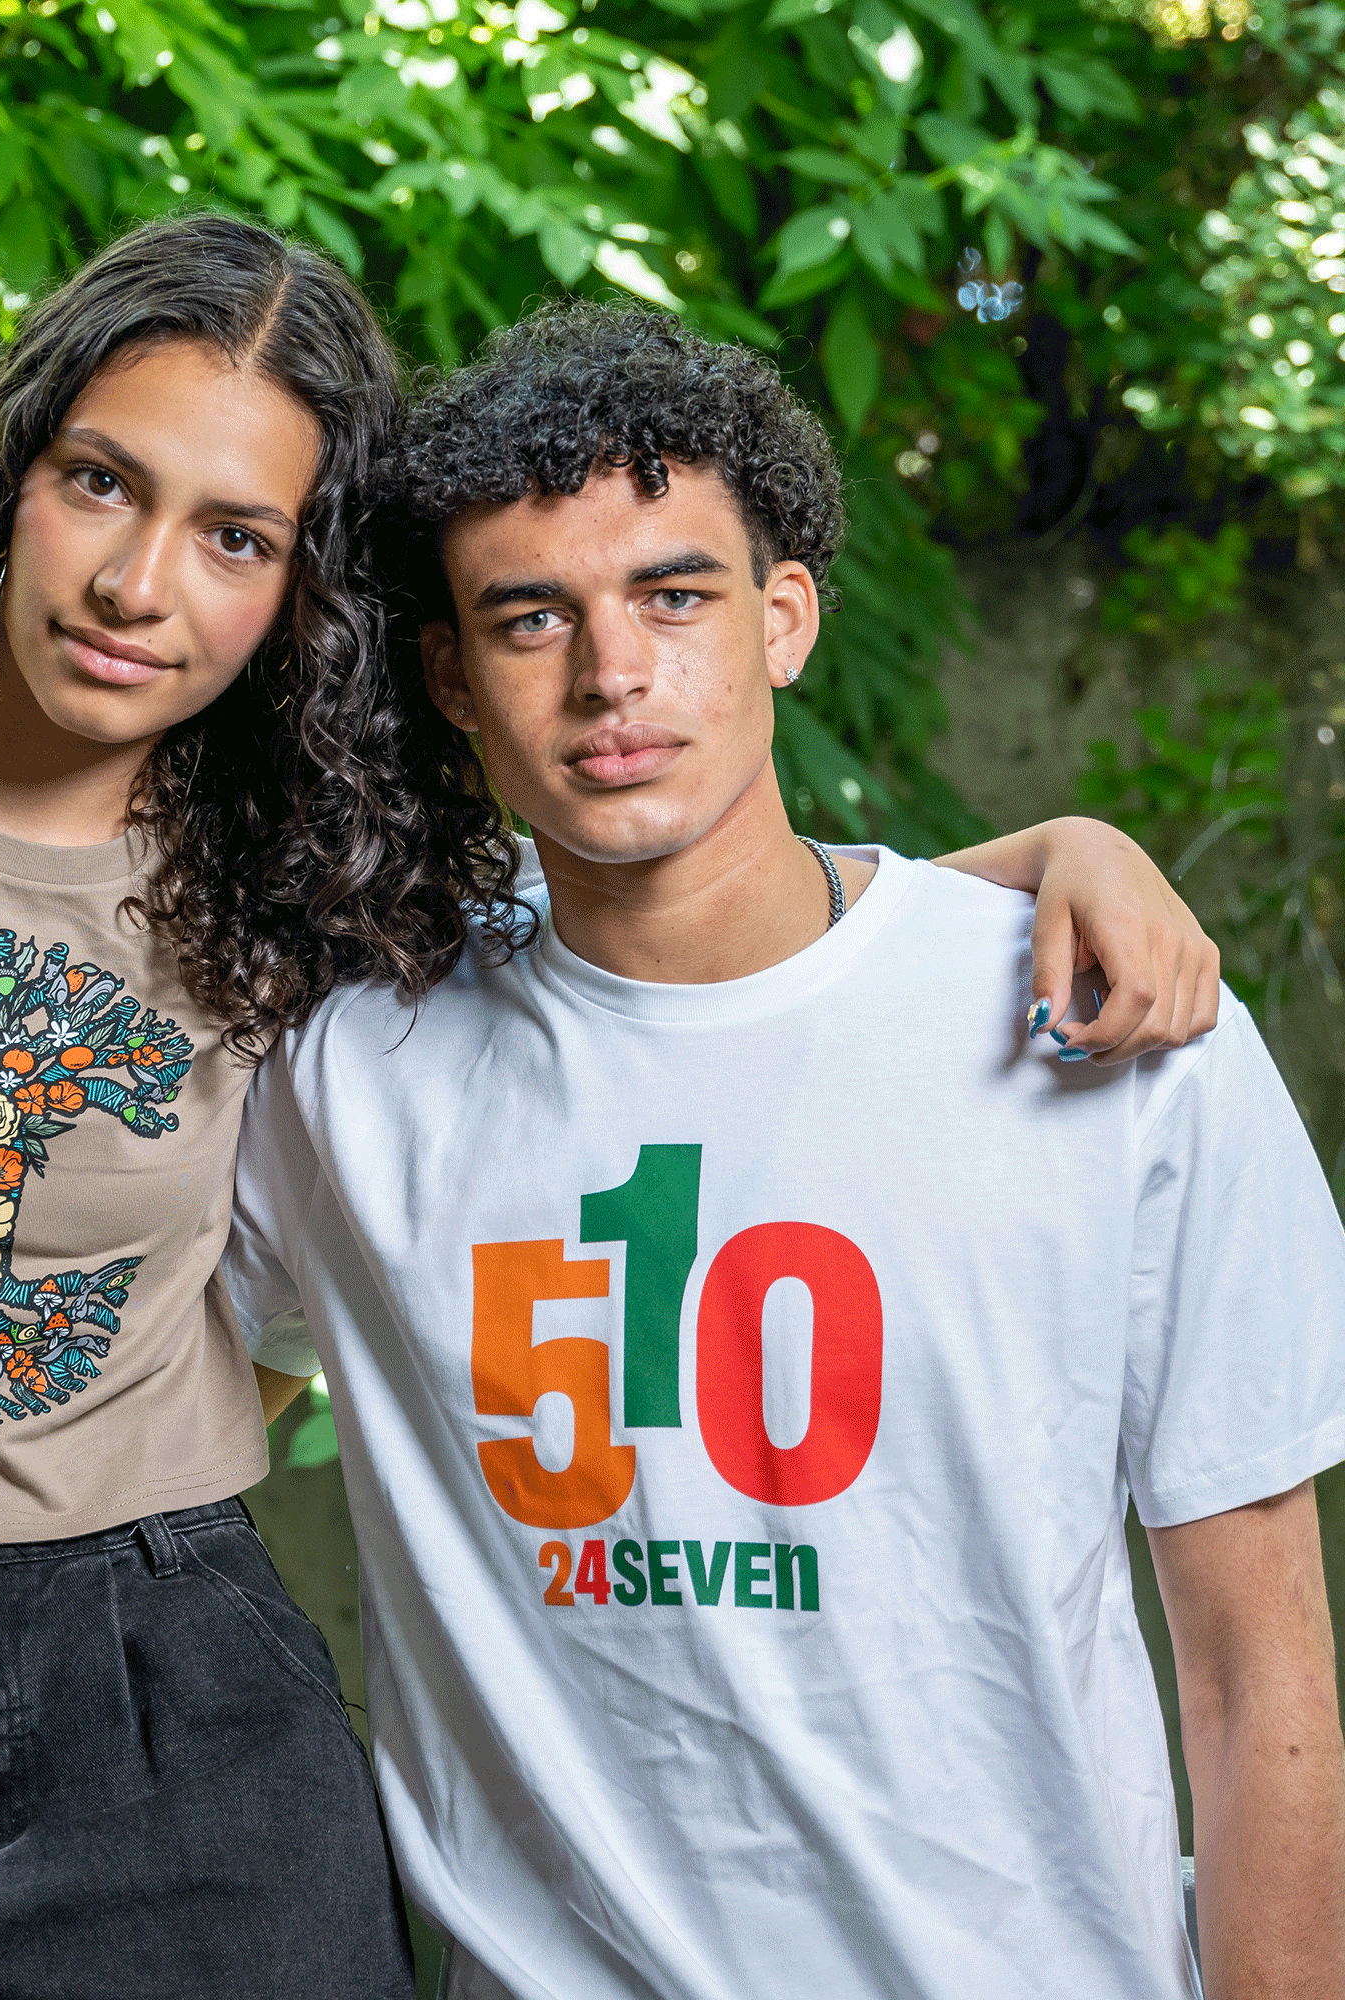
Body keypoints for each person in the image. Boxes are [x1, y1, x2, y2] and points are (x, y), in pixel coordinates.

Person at [0, 222, 1218, 1997]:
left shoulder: (313, 883)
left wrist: (1058, 854)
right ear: (10, 467)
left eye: (237, 536)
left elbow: (695, 946)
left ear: (302, 593)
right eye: (103, 481)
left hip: (171, 1713)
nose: (141, 584)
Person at [223, 304, 1345, 2000]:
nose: (613, 676)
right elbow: (140, 1422)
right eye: (533, 619)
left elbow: (1261, 1675)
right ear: (451, 675)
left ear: (784, 617)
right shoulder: (348, 1074)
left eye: (674, 596)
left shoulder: (1116, 1032)